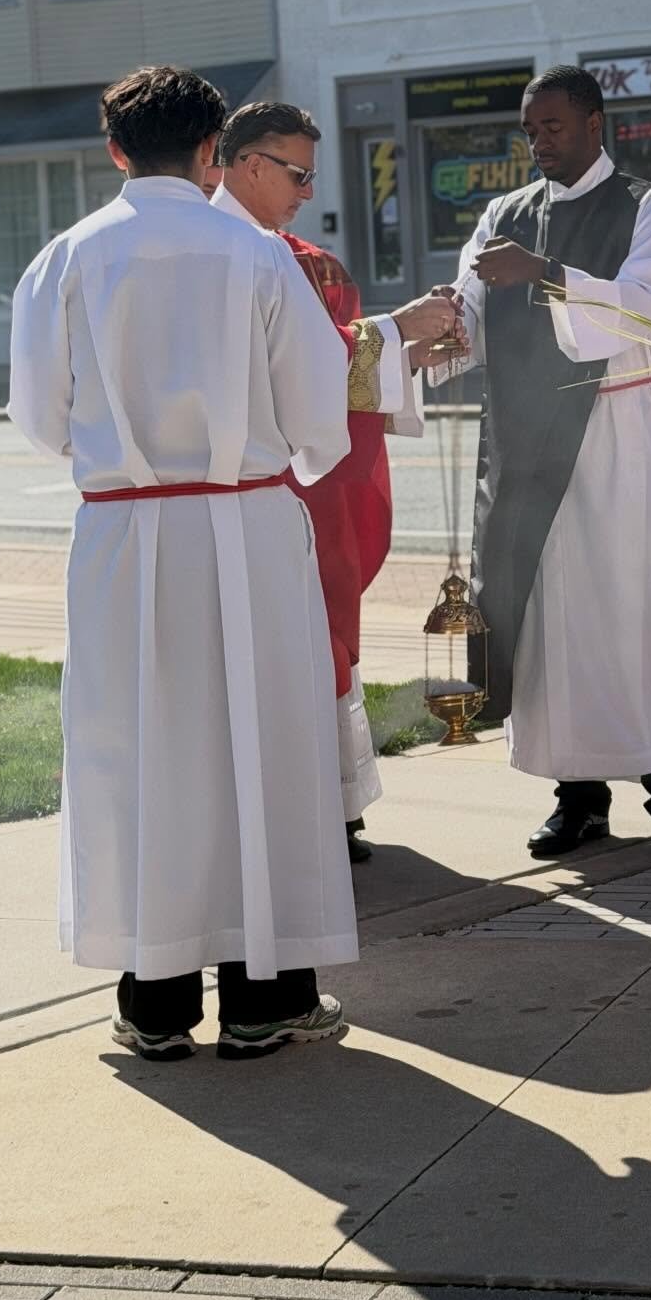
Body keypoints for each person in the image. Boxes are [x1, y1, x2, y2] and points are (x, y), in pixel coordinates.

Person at [8, 66, 371, 1062]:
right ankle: (266, 995)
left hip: (124, 532)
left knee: (142, 751)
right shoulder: (254, 256)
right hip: (245, 525)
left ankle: (155, 1001)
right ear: (215, 154)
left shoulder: (67, 258)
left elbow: (40, 419)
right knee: (263, 750)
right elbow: (316, 414)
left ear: (116, 151)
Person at [441, 65, 651, 864]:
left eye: (552, 128)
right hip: (531, 437)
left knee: (636, 612)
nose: (538, 144)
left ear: (595, 124)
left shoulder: (647, 205)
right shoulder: (506, 212)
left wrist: (545, 274)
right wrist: (440, 322)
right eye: (529, 131)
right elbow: (469, 307)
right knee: (553, 621)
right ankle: (578, 797)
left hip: (619, 430)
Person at [212, 101, 454, 864]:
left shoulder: (307, 261)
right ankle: (274, 816)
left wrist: (406, 356)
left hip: (301, 491)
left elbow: (328, 375)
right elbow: (293, 365)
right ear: (248, 163)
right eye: (298, 173)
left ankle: (328, 804)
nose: (309, 190)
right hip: (229, 495)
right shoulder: (214, 251)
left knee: (317, 642)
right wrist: (390, 335)